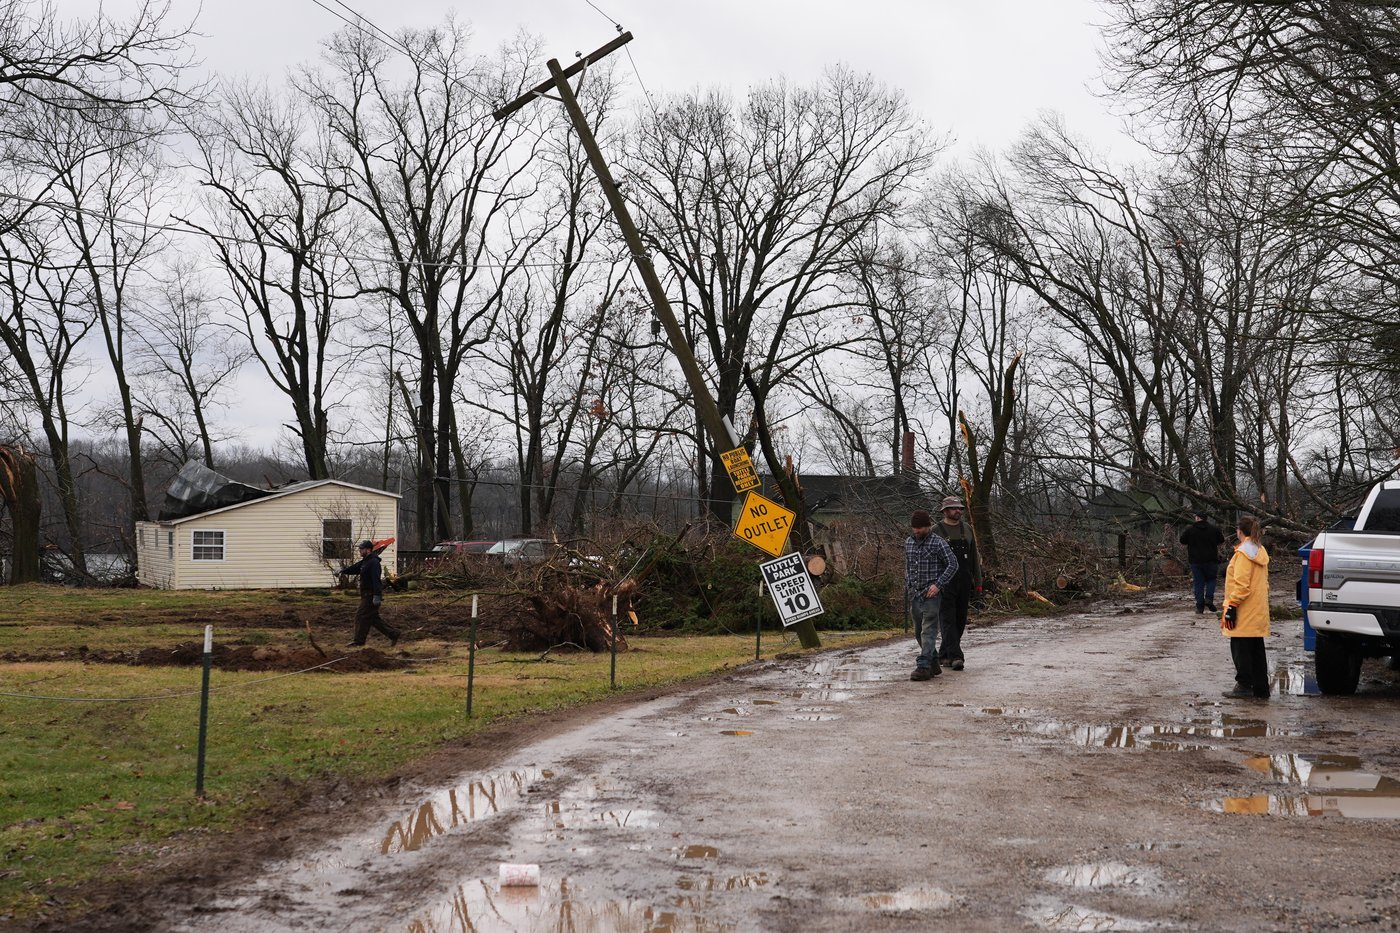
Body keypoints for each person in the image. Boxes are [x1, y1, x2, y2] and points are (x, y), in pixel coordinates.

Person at [905, 508, 958, 681]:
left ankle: (923, 666)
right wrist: (908, 584)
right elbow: (907, 566)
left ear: (928, 526)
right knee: (918, 631)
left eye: (920, 528)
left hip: (932, 595)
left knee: (928, 630)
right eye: (915, 528)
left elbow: (953, 564)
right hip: (915, 594)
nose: (917, 531)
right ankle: (934, 662)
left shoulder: (938, 543)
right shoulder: (909, 542)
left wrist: (938, 585)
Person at [1221, 515, 1270, 699]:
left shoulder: (1242, 554)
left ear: (1239, 531)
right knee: (1256, 649)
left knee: (1240, 648)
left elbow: (1241, 585)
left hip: (1244, 610)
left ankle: (1244, 685)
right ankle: (1261, 687)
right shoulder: (1260, 551)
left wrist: (1232, 606)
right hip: (1257, 610)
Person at [932, 496, 982, 671]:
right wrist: (932, 583)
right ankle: (956, 656)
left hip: (964, 580)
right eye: (954, 508)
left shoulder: (967, 529)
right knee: (947, 620)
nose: (958, 511)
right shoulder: (935, 531)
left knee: (960, 619)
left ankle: (944, 654)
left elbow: (974, 558)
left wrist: (978, 582)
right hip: (943, 582)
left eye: (960, 508)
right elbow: (929, 560)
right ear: (944, 511)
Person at [341, 539, 399, 648]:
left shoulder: (374, 562)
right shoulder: (366, 561)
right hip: (366, 595)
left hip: (371, 596)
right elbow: (355, 568)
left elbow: (376, 580)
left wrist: (377, 595)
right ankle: (393, 634)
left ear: (368, 550)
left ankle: (358, 642)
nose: (359, 551)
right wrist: (342, 570)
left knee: (361, 616)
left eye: (361, 549)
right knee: (372, 619)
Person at [1180, 510, 1226, 614]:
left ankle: (1199, 607)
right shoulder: (1213, 529)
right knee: (1211, 580)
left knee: (1199, 583)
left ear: (1197, 518)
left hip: (1195, 561)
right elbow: (1221, 540)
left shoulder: (1190, 529)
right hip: (1211, 560)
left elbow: (1182, 540)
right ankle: (1209, 598)